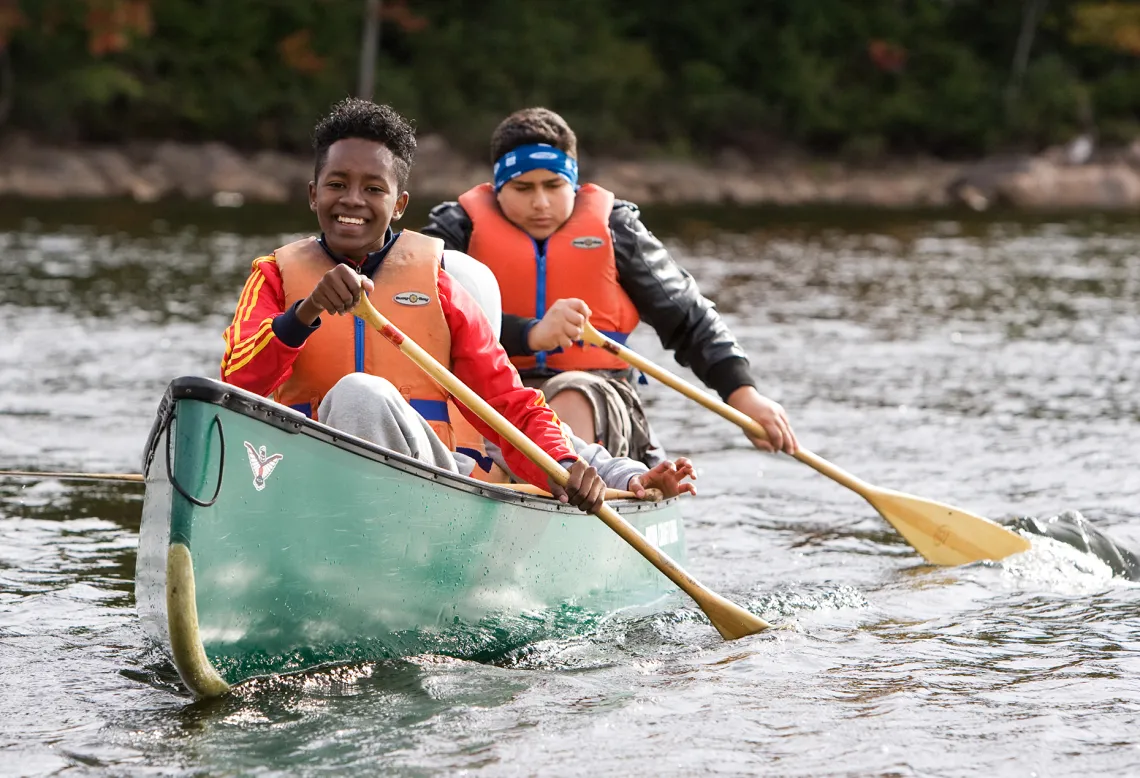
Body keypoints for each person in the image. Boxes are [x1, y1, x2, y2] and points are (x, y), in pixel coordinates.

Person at [219, 97, 616, 511]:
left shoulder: (441, 287)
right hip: (301, 486)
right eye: (337, 185)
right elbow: (235, 386)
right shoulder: (272, 277)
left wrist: (562, 463)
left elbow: (508, 403)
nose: (353, 200)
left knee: (359, 395)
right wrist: (305, 313)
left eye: (374, 189)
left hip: (423, 496)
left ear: (399, 205)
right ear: (313, 195)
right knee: (185, 396)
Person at [422, 107, 799, 466]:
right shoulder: (456, 231)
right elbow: (421, 311)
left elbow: (689, 319)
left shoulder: (617, 230)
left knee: (572, 395)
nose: (541, 203)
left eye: (554, 186)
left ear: (573, 182)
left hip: (597, 391)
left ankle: (567, 492)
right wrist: (529, 334)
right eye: (523, 189)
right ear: (497, 188)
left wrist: (742, 394)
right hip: (488, 394)